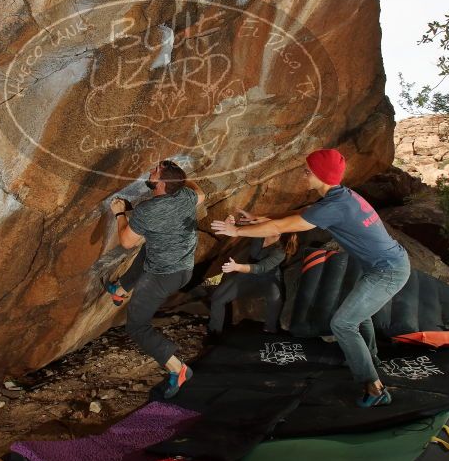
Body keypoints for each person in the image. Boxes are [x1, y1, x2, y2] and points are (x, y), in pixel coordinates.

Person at [211, 149, 411, 407]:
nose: (303, 174)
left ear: (320, 175)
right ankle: (370, 359)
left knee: (343, 323)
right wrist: (260, 219)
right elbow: (303, 212)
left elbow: (283, 228)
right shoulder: (341, 196)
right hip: (383, 265)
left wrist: (236, 230)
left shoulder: (335, 206)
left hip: (388, 270)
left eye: (307, 170)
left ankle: (375, 388)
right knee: (357, 317)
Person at [105, 159, 205, 398]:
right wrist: (181, 181)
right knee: (149, 247)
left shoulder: (148, 210)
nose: (150, 171)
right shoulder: (187, 197)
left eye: (155, 171)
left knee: (137, 326)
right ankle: (120, 290)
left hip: (161, 278)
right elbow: (200, 193)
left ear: (160, 184)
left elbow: (127, 241)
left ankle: (178, 369)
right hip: (183, 269)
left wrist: (120, 213)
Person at [207, 210, 298, 341]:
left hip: (269, 277)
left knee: (276, 299)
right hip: (247, 274)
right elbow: (242, 226)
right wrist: (231, 220)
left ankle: (270, 331)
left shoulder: (282, 249)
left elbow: (261, 268)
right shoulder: (262, 230)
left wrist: (237, 267)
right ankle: (214, 334)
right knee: (218, 298)